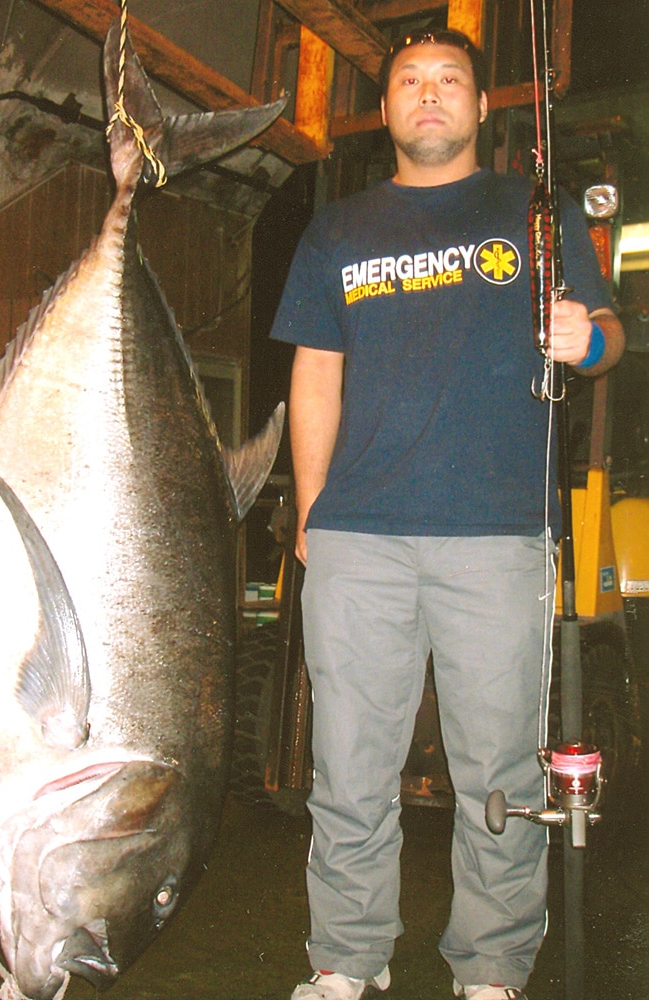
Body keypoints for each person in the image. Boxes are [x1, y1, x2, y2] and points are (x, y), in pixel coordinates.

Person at [270, 28, 624, 1000]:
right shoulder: (336, 231)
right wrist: (310, 508)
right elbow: (314, 372)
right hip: (357, 536)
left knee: (499, 776)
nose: (429, 96)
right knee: (345, 768)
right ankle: (344, 960)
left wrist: (580, 336)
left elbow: (608, 336)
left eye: (449, 81)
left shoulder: (532, 210)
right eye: (409, 83)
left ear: (478, 106)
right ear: (384, 111)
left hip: (497, 535)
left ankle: (492, 970)